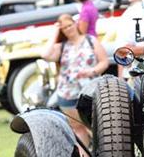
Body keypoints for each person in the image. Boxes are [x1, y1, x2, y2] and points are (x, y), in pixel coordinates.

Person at [42, 14, 109, 147]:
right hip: (68, 93)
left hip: (90, 91)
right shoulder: (62, 46)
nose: (68, 29)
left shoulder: (90, 40)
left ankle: (102, 155)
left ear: (75, 24)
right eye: (64, 28)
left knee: (95, 126)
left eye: (69, 25)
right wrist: (55, 31)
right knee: (77, 128)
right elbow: (45, 55)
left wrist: (92, 71)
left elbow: (104, 62)